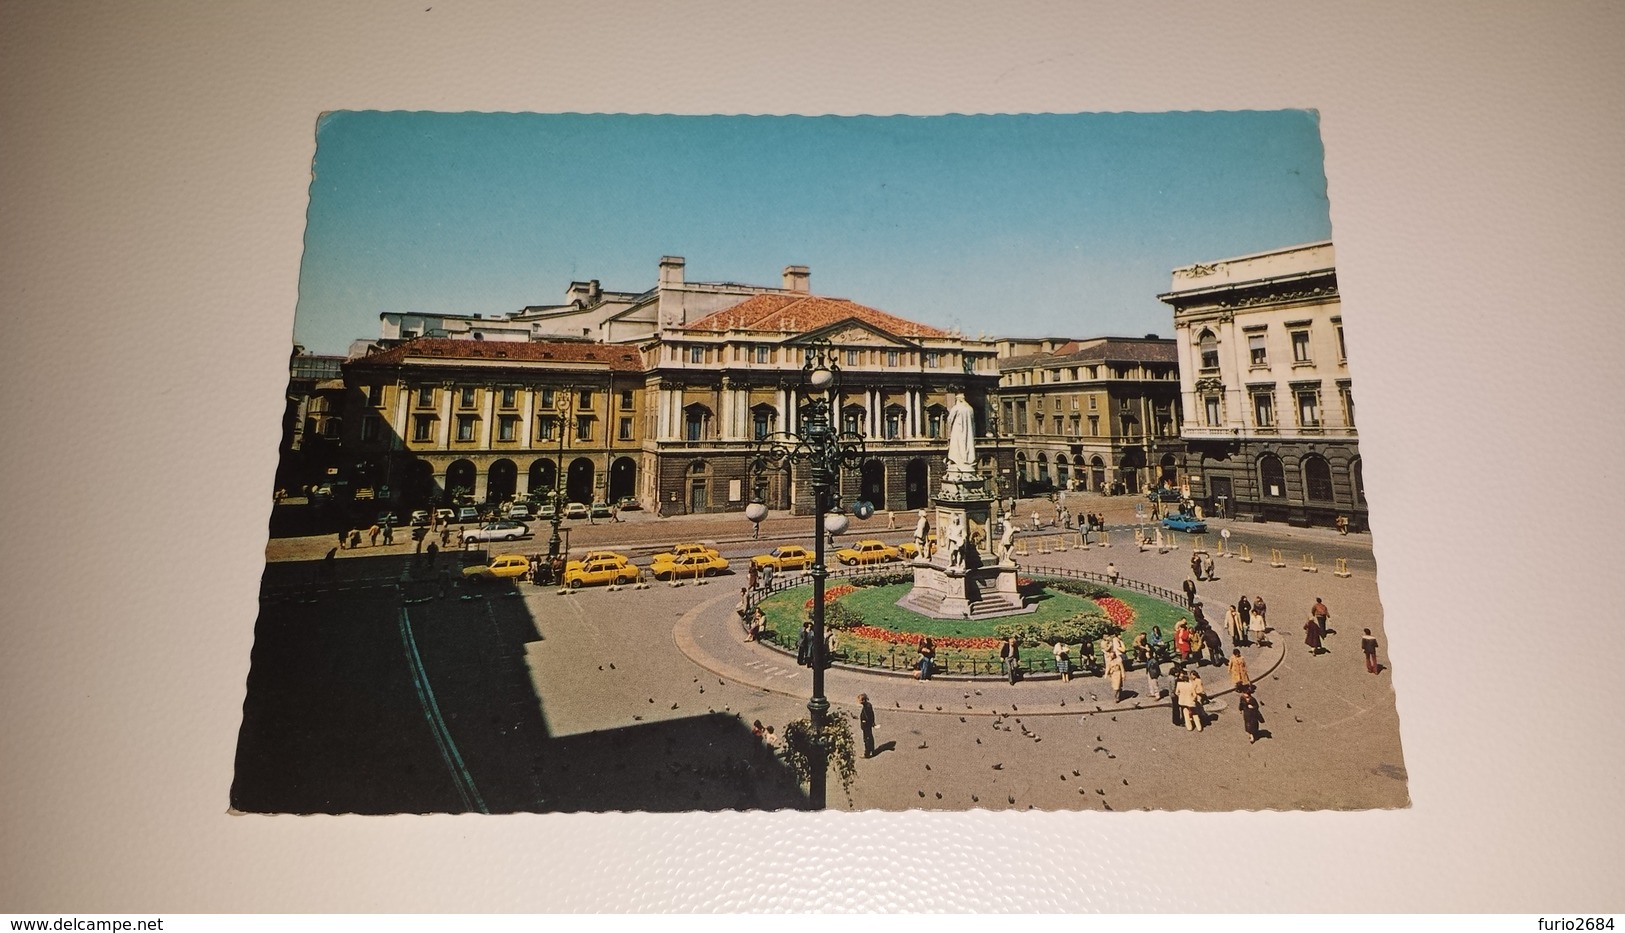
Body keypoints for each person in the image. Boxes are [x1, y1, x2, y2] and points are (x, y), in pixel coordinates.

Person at [858, 694, 877, 759]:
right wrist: (873, 722)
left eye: (860, 700)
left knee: (866, 739)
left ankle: (867, 753)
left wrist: (864, 721)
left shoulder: (866, 707)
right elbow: (872, 715)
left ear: (863, 700)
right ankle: (872, 750)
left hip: (866, 726)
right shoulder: (868, 705)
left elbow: (867, 716)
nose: (859, 701)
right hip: (868, 725)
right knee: (870, 737)